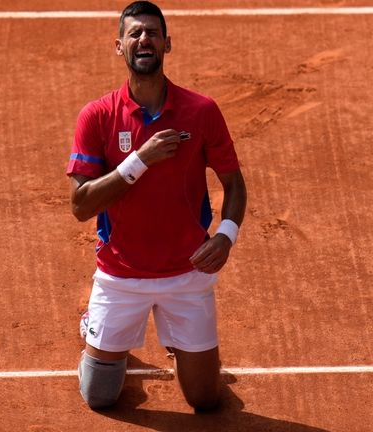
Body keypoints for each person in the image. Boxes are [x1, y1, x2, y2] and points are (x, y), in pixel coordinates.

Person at [66, 1, 247, 411]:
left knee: (205, 400)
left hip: (187, 273)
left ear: (167, 44)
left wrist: (226, 235)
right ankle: (93, 328)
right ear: (120, 46)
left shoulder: (201, 111)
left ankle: (183, 349)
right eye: (134, 33)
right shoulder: (97, 116)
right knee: (99, 396)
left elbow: (233, 183)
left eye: (152, 32)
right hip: (119, 276)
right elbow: (80, 206)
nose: (143, 39)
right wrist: (139, 160)